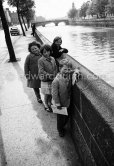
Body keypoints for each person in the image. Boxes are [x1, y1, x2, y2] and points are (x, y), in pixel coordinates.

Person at [52, 59, 72, 137]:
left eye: (68, 69)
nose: (67, 71)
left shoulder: (69, 76)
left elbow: (73, 71)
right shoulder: (56, 81)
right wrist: (57, 104)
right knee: (60, 118)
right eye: (65, 69)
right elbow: (54, 94)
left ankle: (63, 126)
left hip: (67, 101)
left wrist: (76, 71)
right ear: (60, 69)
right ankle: (60, 129)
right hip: (60, 103)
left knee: (67, 116)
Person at [38, 44, 57, 112]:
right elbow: (41, 70)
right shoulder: (41, 60)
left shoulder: (52, 58)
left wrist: (55, 74)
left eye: (47, 51)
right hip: (45, 79)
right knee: (47, 93)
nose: (46, 53)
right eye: (44, 52)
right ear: (42, 53)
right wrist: (49, 75)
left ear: (50, 51)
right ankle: (46, 105)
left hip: (52, 79)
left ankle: (50, 103)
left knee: (51, 92)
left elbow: (55, 67)